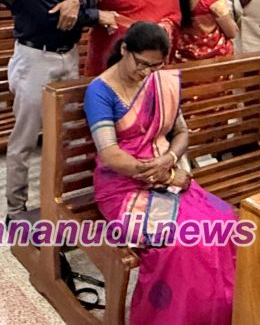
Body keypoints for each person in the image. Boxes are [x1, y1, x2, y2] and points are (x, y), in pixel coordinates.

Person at [83, 22, 236, 324]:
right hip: (123, 189)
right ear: (124, 50)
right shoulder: (100, 91)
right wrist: (163, 175)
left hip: (167, 174)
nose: (146, 73)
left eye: (155, 66)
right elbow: (110, 154)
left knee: (224, 221)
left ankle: (216, 314)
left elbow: (182, 132)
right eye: (141, 63)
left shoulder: (160, 82)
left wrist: (170, 158)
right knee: (180, 243)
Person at [4, 0, 99, 220]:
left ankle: (59, 201)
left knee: (66, 133)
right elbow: (49, 16)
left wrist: (76, 1)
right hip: (36, 58)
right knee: (25, 138)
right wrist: (95, 15)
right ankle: (16, 209)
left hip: (67, 54)